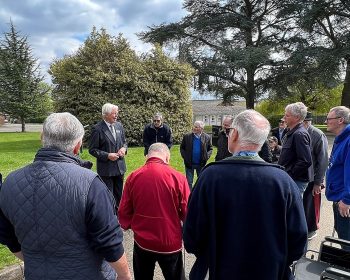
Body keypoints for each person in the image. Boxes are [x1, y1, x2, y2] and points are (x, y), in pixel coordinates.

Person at [0, 112, 131, 280]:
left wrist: (38, 262)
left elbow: (7, 236)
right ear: (78, 146)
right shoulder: (90, 184)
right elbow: (110, 242)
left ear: (42, 137)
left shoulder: (10, 182)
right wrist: (125, 276)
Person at [183, 110, 307, 280]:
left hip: (219, 270)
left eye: (229, 131)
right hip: (269, 271)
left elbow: (192, 234)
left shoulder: (210, 177)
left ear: (234, 134)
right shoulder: (283, 181)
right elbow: (298, 241)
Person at [118, 143, 190, 280]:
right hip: (169, 241)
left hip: (143, 241)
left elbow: (124, 211)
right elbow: (188, 211)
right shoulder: (178, 178)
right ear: (167, 157)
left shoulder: (133, 177)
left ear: (147, 156)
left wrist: (128, 224)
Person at [89, 103, 127, 208]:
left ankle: (120, 217)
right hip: (107, 169)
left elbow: (124, 142)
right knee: (108, 197)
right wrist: (107, 155)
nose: (116, 115)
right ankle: (109, 218)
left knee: (120, 195)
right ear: (105, 115)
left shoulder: (119, 125)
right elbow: (92, 150)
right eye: (113, 113)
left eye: (117, 113)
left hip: (120, 168)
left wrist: (124, 148)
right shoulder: (97, 129)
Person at [325, 106, 350, 244]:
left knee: (346, 241)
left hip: (345, 201)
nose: (326, 121)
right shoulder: (341, 138)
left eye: (329, 118)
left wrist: (347, 200)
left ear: (340, 120)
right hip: (339, 198)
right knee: (342, 234)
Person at [302, 112, 329, 240]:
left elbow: (323, 160)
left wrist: (318, 182)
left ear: (306, 122)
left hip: (312, 180)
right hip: (299, 178)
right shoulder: (295, 132)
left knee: (311, 208)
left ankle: (311, 230)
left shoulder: (317, 135)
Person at [278, 102, 312, 196]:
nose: (284, 118)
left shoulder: (299, 134)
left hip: (296, 181)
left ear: (297, 117)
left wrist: (289, 175)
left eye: (287, 115)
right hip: (292, 179)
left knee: (293, 209)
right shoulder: (292, 132)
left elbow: (305, 161)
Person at [180, 121, 213, 189]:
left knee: (200, 181)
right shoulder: (187, 136)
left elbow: (210, 148)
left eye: (196, 127)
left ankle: (198, 195)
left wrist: (206, 157)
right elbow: (182, 148)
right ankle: (189, 196)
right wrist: (185, 157)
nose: (194, 128)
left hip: (201, 164)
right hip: (189, 163)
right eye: (194, 126)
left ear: (201, 128)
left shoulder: (207, 137)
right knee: (189, 181)